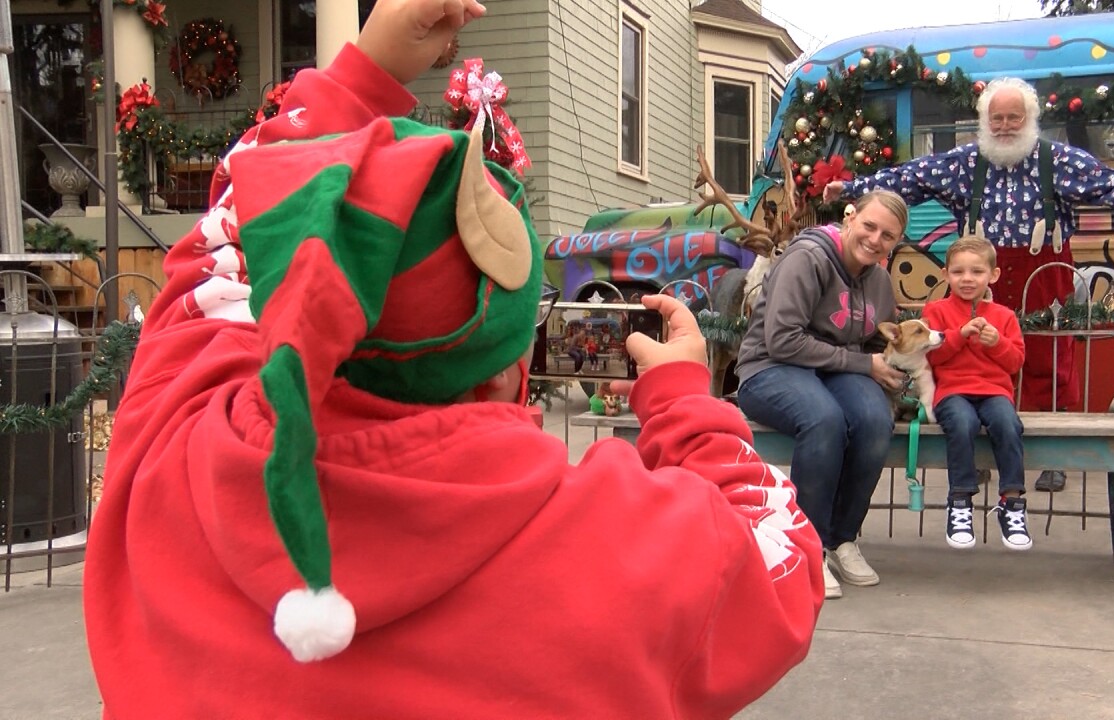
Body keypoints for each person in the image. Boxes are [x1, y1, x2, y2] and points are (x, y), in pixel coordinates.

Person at [82, 1, 825, 716]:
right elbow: (782, 556)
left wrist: (361, 72)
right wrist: (685, 403)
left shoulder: (171, 458)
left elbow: (220, 247)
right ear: (507, 373)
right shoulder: (618, 548)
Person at [825, 76, 1114, 492]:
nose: (1005, 125)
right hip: (978, 276)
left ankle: (1051, 454)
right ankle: (976, 449)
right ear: (985, 120)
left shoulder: (1056, 159)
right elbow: (910, 178)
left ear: (1029, 119)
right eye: (997, 117)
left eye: (1013, 117)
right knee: (970, 356)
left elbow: (1102, 181)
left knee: (1048, 354)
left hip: (1042, 273)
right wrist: (854, 188)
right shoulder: (964, 162)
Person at [735, 190, 909, 599]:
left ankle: (842, 539)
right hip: (770, 368)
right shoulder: (806, 259)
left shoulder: (879, 281)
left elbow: (872, 344)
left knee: (872, 418)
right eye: (869, 226)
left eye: (887, 235)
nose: (874, 239)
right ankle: (807, 546)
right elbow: (782, 341)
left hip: (832, 371)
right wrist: (865, 365)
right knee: (824, 419)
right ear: (850, 218)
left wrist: (884, 371)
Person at [922, 237, 1031, 551]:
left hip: (995, 391)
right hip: (952, 391)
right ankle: (960, 501)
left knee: (1008, 424)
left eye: (976, 272)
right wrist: (959, 335)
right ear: (945, 275)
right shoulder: (936, 311)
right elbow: (931, 356)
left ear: (992, 276)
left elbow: (1015, 363)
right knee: (961, 422)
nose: (967, 279)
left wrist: (996, 341)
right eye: (958, 272)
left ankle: (1011, 503)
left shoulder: (1004, 316)